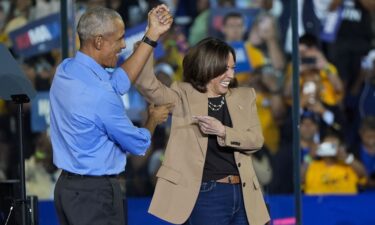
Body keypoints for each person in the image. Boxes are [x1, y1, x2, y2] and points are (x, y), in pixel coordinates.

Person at [49, 5, 173, 225]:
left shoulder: (66, 69)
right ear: (98, 41)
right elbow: (137, 145)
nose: (124, 45)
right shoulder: (100, 95)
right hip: (95, 195)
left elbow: (118, 81)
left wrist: (151, 35)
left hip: (67, 190)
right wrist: (152, 119)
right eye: (119, 39)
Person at [135, 37, 270, 225]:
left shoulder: (244, 96)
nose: (230, 75)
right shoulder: (182, 95)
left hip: (245, 193)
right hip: (206, 194)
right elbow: (148, 86)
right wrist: (149, 41)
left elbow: (256, 140)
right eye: (225, 69)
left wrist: (223, 131)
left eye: (233, 68)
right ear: (208, 66)